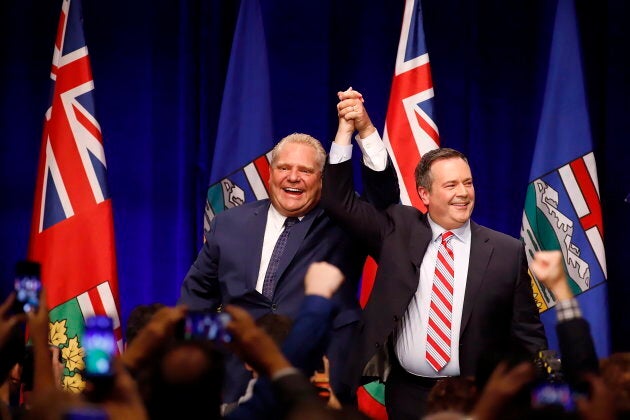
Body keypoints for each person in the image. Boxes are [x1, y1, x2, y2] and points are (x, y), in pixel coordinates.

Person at [321, 89, 548, 419]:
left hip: (477, 398)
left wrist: (537, 393)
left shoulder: (506, 251)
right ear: (424, 194)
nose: (463, 194)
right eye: (451, 185)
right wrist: (352, 131)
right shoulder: (397, 230)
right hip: (408, 393)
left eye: (467, 183)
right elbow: (339, 202)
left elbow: (528, 333)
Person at [178, 129, 400, 403]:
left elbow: (383, 198)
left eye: (305, 170)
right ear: (270, 173)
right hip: (237, 376)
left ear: (322, 180)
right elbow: (197, 296)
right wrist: (206, 352)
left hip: (321, 376)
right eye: (284, 167)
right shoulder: (229, 223)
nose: (293, 177)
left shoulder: (344, 221)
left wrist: (365, 132)